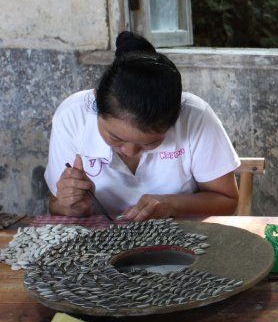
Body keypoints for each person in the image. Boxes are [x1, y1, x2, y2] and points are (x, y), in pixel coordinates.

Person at [45, 31, 241, 221]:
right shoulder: (72, 117)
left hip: (182, 239)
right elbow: (55, 205)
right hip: (100, 243)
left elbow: (227, 200)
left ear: (175, 120)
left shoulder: (196, 118)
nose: (129, 151)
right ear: (96, 104)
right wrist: (76, 206)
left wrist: (172, 205)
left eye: (150, 142)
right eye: (115, 138)